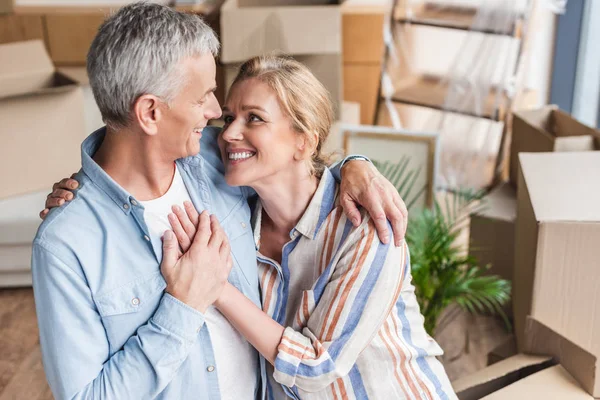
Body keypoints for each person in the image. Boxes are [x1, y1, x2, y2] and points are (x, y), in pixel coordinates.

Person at [34, 3, 408, 400]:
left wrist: (356, 166)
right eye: (204, 98)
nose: (218, 117)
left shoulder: (218, 160)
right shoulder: (65, 244)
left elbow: (294, 162)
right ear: (149, 113)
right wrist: (186, 302)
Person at [162, 55, 456, 399]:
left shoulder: (366, 228)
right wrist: (89, 182)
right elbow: (148, 129)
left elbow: (316, 367)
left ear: (304, 141)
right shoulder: (237, 220)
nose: (229, 133)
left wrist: (215, 287)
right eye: (229, 117)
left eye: (253, 118)